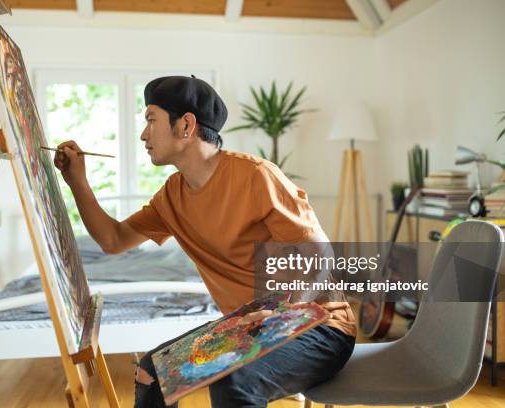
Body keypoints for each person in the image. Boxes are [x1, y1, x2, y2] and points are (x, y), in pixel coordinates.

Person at [53, 75, 356, 408]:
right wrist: (77, 182)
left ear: (186, 125)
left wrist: (280, 316)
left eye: (151, 120)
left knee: (235, 379)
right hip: (247, 328)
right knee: (150, 371)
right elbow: (113, 240)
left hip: (320, 327)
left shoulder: (256, 176)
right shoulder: (171, 196)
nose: (143, 134)